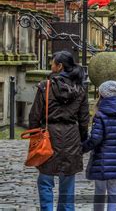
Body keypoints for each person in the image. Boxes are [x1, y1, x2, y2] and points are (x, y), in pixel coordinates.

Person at [29, 50, 89, 211]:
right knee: (67, 184)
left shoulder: (45, 86)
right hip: (71, 136)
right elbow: (84, 120)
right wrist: (82, 141)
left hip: (48, 136)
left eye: (52, 62)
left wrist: (35, 139)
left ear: (59, 66)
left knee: (45, 182)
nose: (51, 65)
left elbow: (34, 116)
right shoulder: (80, 89)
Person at [82, 80, 116, 211]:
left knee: (100, 193)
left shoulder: (100, 115)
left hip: (101, 160)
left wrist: (81, 148)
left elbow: (95, 139)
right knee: (114, 193)